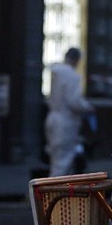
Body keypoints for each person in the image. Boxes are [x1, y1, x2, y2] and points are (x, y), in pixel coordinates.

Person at [44, 47, 93, 177]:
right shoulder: (72, 76)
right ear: (77, 60)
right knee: (63, 163)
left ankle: (57, 193)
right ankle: (54, 194)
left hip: (53, 120)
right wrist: (88, 107)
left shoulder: (57, 73)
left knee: (57, 160)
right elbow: (74, 101)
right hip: (65, 123)